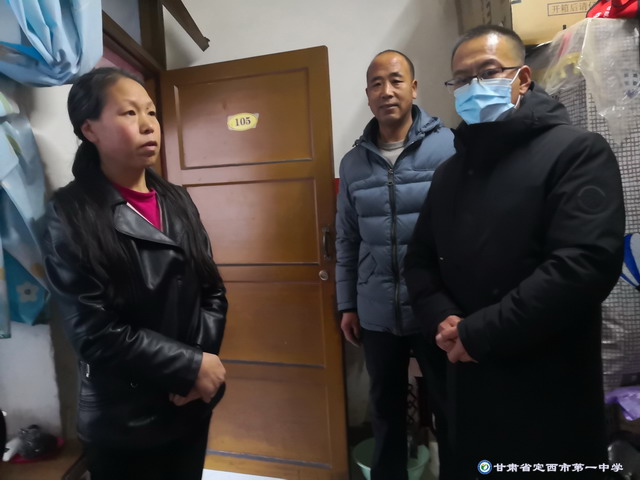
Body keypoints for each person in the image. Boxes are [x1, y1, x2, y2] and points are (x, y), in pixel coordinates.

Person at [404, 25, 625, 479]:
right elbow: (420, 258)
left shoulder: (575, 152)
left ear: (523, 78)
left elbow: (583, 265)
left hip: (546, 383)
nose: (473, 87)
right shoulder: (449, 172)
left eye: (488, 72)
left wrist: (481, 333)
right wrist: (441, 316)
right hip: (465, 377)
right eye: (461, 80)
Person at [42, 67, 228, 480]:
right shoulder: (70, 214)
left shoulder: (176, 200)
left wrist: (196, 368)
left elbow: (211, 290)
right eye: (129, 113)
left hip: (190, 405)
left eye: (151, 112)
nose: (148, 125)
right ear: (89, 129)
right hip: (125, 422)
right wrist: (189, 367)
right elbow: (93, 331)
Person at [335, 50, 455, 480]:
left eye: (396, 80)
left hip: (436, 307)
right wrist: (347, 304)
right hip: (377, 309)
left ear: (414, 88)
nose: (386, 91)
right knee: (384, 411)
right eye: (376, 84)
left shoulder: (449, 147)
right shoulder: (353, 163)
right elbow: (347, 238)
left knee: (450, 409)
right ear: (368, 96)